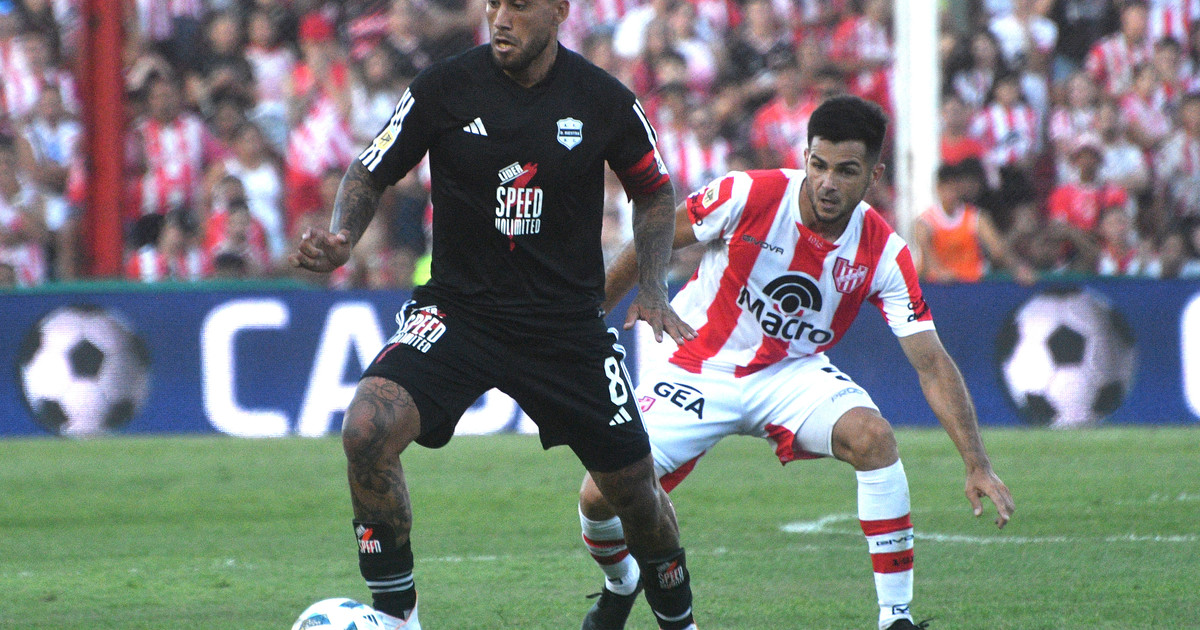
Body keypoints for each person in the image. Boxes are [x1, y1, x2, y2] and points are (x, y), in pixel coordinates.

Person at [287, 0, 699, 628]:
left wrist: (652, 286)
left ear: (558, 11)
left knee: (634, 494)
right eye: (493, 3)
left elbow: (654, 192)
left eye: (519, 5)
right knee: (367, 427)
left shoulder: (603, 100)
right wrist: (345, 235)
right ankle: (397, 619)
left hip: (564, 327)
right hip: (460, 313)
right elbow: (371, 168)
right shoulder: (444, 88)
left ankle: (677, 620)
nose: (500, 18)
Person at [574, 95, 1015, 630]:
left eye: (846, 171)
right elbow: (656, 230)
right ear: (805, 157)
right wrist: (588, 316)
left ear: (873, 176)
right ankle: (621, 584)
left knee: (874, 438)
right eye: (819, 165)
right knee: (598, 496)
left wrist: (976, 462)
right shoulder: (749, 194)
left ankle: (895, 618)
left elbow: (932, 364)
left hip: (790, 373)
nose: (827, 182)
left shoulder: (883, 252)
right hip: (696, 363)